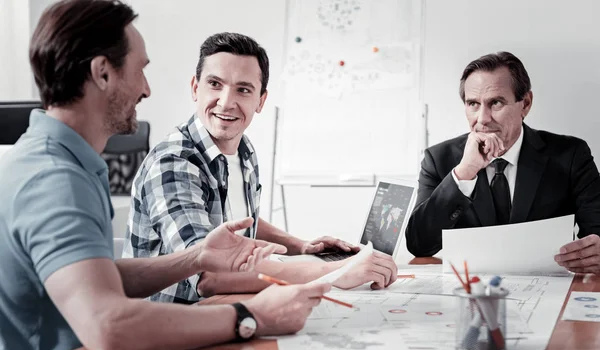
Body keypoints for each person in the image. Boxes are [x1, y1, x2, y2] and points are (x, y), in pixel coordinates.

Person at [0, 0, 331, 350]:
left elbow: (97, 277)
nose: (147, 89)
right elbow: (110, 326)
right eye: (140, 70)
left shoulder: (62, 161)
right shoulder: (54, 178)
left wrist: (197, 257)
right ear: (103, 73)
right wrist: (250, 316)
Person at [123, 32, 398, 303]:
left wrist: (300, 246)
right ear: (195, 88)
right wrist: (333, 271)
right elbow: (207, 275)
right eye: (215, 84)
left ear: (261, 101)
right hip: (174, 325)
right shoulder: (175, 164)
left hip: (227, 310)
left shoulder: (243, 149)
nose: (226, 102)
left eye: (243, 89)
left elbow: (234, 220)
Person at [405, 51, 600, 274]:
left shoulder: (570, 155)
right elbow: (419, 245)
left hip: (548, 291)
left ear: (525, 104)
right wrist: (465, 173)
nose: (482, 119)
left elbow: (596, 231)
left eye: (495, 103)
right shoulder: (439, 159)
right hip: (470, 292)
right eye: (473, 104)